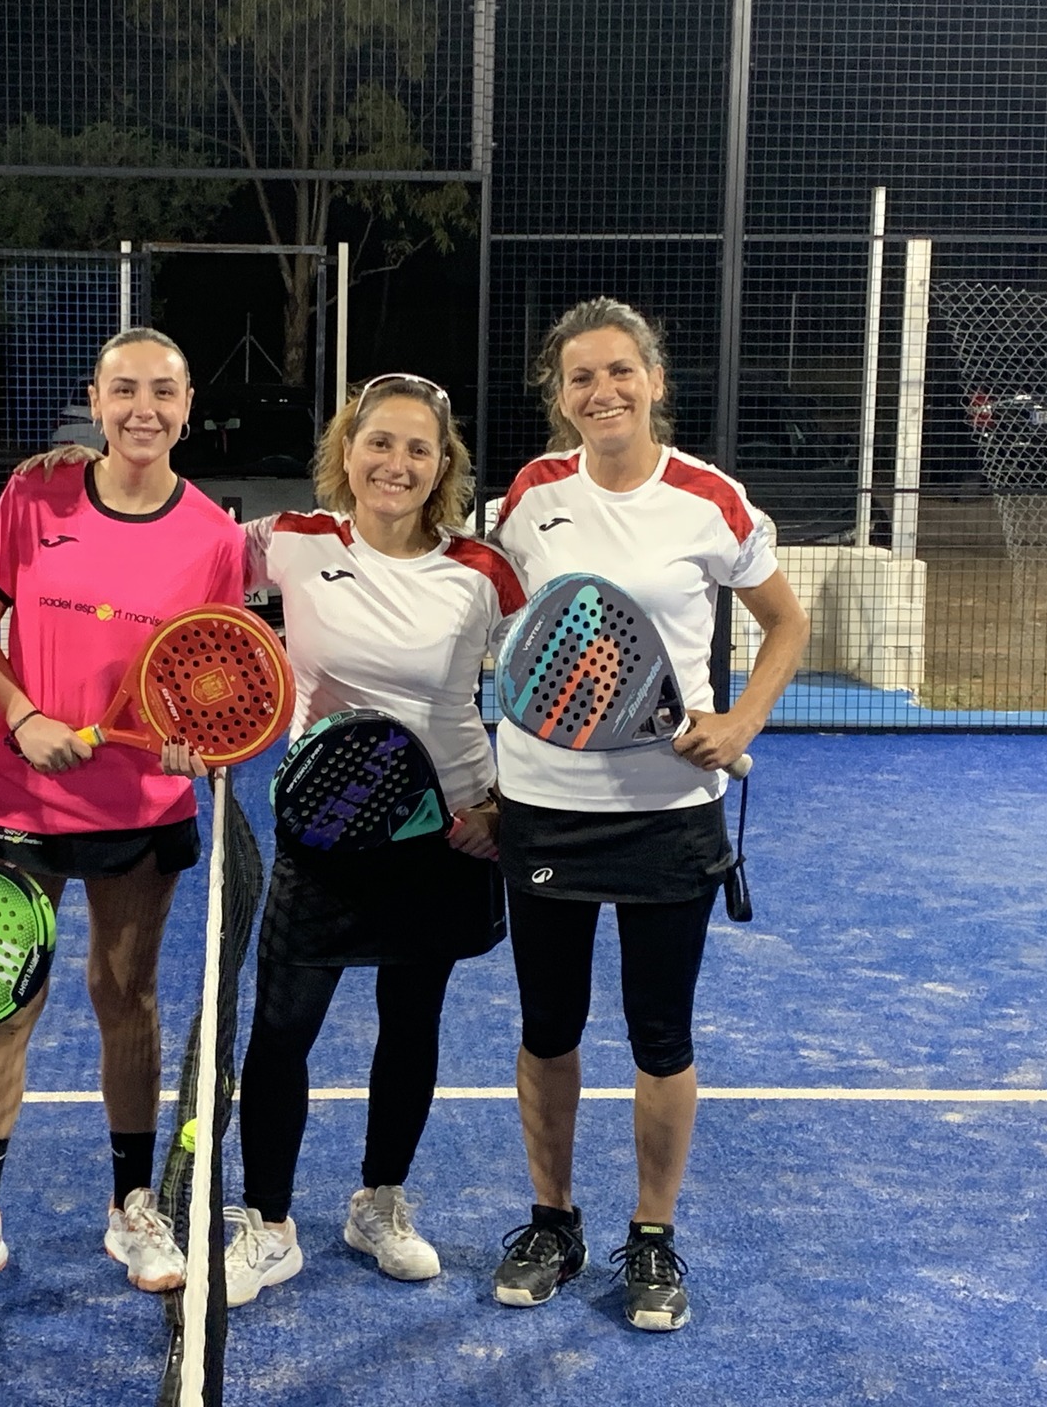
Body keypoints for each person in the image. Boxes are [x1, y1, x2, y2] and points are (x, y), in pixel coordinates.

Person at [487, 298, 810, 1330]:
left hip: (670, 813)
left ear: (655, 380)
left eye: (620, 370)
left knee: (660, 1035)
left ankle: (653, 1234)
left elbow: (787, 622)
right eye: (581, 377)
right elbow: (507, 622)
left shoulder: (709, 500)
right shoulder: (530, 496)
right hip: (545, 804)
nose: (603, 392)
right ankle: (553, 1220)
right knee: (548, 1028)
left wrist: (741, 718)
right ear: (561, 396)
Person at [223, 373, 522, 1307]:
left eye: (418, 448)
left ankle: (380, 1201)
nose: (396, 463)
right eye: (378, 442)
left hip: (447, 832)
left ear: (444, 464)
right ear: (345, 453)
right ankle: (269, 1222)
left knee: (412, 1022)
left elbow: (544, 684)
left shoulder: (486, 571)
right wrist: (89, 474)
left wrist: (505, 810)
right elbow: (171, 549)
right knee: (282, 1029)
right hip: (326, 827)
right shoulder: (293, 541)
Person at [0, 326, 244, 1295]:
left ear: (189, 407)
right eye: (124, 390)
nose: (143, 410)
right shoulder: (34, 496)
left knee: (127, 996)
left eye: (163, 392)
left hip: (141, 802)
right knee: (7, 998)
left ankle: (132, 1205)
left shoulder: (214, 536)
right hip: (22, 788)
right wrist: (23, 715)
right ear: (95, 399)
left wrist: (192, 739)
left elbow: (210, 677)